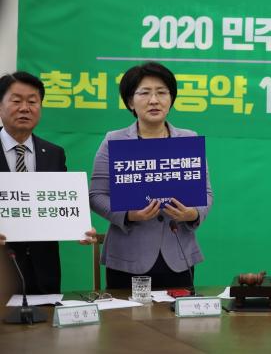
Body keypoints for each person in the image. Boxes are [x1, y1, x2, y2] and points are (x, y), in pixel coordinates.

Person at [89, 62, 213, 289]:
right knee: (126, 313)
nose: (154, 100)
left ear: (171, 99)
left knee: (176, 313)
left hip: (178, 256)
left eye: (162, 93)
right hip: (127, 257)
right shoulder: (114, 141)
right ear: (130, 102)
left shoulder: (188, 139)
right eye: (145, 93)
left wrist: (193, 214)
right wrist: (129, 215)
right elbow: (96, 196)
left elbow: (206, 193)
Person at [0, 71, 96, 294]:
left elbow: (61, 204)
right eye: (16, 101)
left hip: (43, 272)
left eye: (32, 102)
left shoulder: (54, 153)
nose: (25, 108)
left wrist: (79, 227)